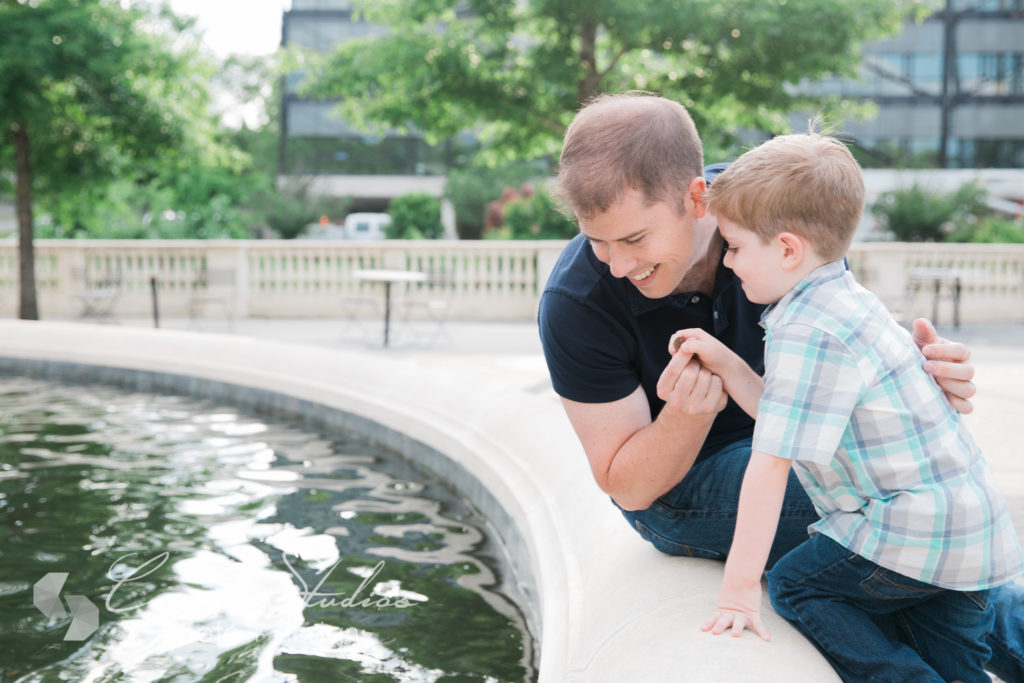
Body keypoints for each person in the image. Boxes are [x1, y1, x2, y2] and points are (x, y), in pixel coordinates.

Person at [537, 92, 1024, 681]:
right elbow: (629, 487)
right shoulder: (575, 302)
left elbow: (843, 323)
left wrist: (914, 381)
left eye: (635, 240)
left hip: (796, 435)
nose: (615, 265)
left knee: (920, 510)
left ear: (699, 199)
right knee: (919, 517)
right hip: (685, 479)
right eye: (597, 242)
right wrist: (684, 417)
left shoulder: (768, 206)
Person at [672, 131, 1024, 681]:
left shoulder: (806, 329)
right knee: (957, 662)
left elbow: (770, 465)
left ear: (788, 249)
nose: (728, 261)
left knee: (795, 584)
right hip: (966, 528)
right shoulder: (846, 298)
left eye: (735, 246)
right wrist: (725, 361)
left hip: (909, 529)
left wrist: (740, 593)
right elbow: (785, 416)